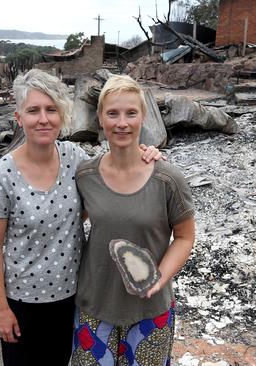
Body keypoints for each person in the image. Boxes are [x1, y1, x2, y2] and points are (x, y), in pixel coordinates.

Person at [0, 69, 162, 366]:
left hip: (72, 298)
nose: (43, 118)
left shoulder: (75, 159)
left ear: (62, 115)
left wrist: (145, 153)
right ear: (18, 117)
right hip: (23, 304)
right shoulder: (1, 176)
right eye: (33, 110)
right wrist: (1, 309)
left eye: (51, 109)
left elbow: (112, 174)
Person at [71, 75, 196, 365]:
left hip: (150, 309)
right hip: (94, 304)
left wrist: (160, 277)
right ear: (100, 119)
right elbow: (72, 222)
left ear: (143, 117)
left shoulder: (167, 178)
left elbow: (185, 237)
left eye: (131, 113)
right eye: (112, 113)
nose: (122, 123)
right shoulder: (85, 175)